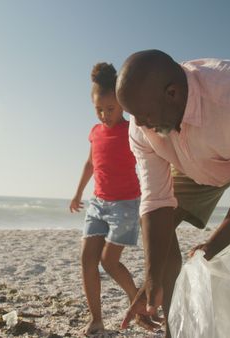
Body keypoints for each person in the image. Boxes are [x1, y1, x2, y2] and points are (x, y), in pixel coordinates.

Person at [115, 50, 230, 337]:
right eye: (132, 115)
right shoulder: (142, 125)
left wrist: (210, 249)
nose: (137, 124)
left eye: (144, 115)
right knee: (161, 231)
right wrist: (151, 280)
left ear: (172, 93)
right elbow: (156, 202)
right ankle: (174, 327)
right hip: (201, 160)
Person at [69, 62, 160, 335]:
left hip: (126, 205)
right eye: (98, 109)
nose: (104, 115)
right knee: (87, 260)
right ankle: (96, 319)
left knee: (109, 261)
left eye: (110, 109)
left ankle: (138, 303)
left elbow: (150, 159)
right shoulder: (95, 133)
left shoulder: (133, 129)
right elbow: (90, 164)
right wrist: (77, 193)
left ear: (121, 105)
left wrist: (152, 198)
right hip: (98, 203)